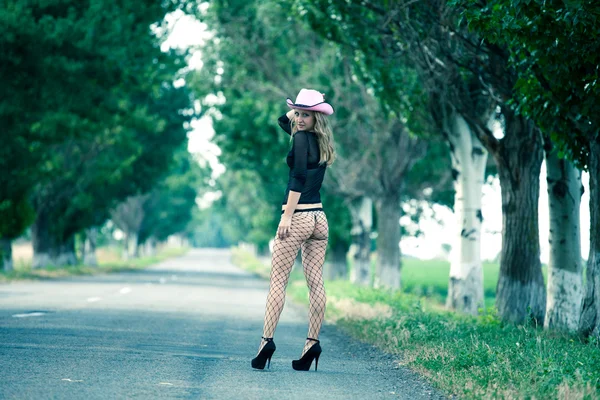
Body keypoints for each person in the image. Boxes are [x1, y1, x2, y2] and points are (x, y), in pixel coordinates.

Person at [251, 88, 336, 372]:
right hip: (319, 219)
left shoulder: (300, 139)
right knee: (316, 283)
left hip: (297, 216)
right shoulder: (321, 142)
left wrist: (286, 217)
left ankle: (266, 342)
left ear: (316, 118)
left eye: (306, 114)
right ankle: (312, 344)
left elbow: (298, 177)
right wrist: (306, 107)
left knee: (278, 281)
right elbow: (281, 120)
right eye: (298, 113)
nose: (298, 119)